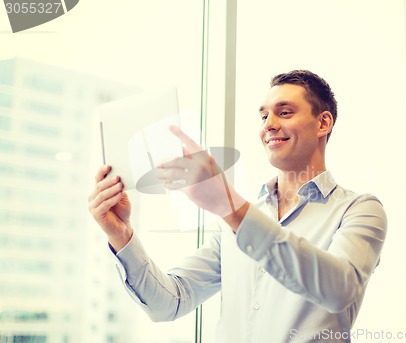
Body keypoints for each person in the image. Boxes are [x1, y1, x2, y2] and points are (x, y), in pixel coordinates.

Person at [88, 70, 387, 343]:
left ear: (323, 123)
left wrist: (230, 207)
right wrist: (121, 235)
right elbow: (169, 303)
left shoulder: (358, 210)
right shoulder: (233, 222)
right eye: (263, 116)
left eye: (284, 112)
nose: (269, 125)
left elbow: (339, 291)